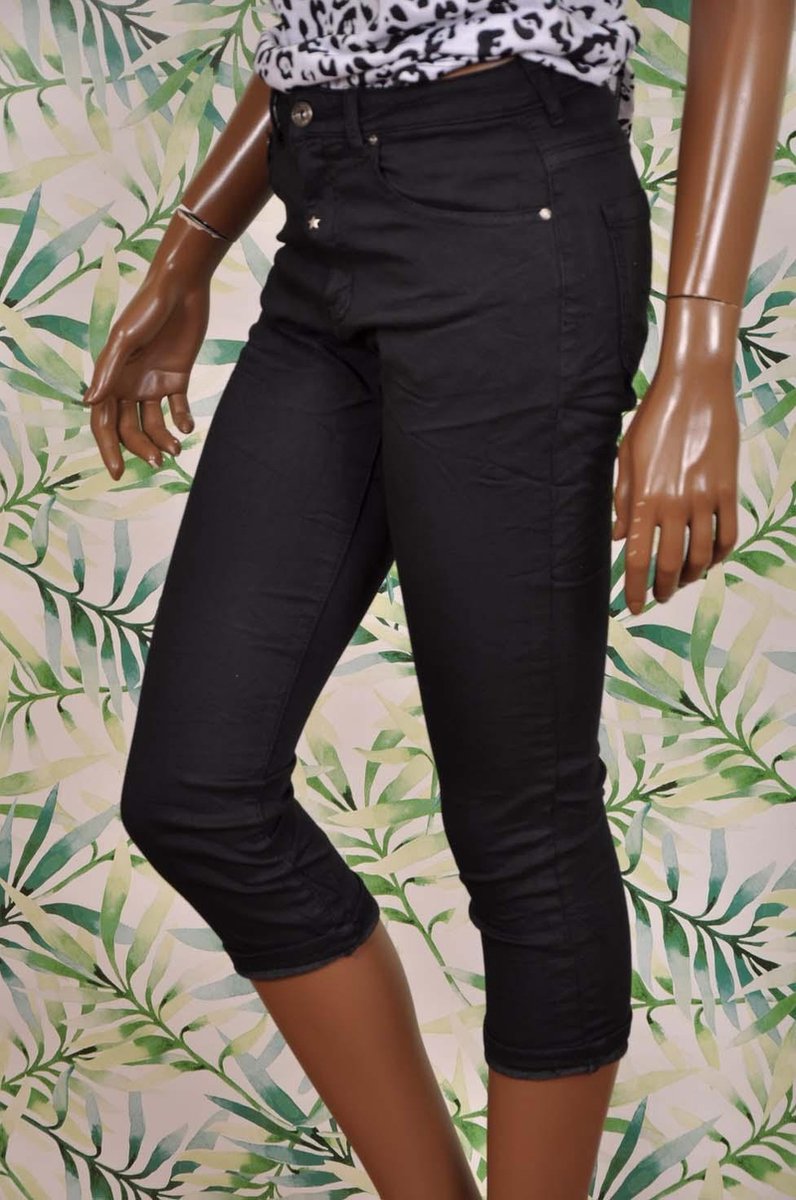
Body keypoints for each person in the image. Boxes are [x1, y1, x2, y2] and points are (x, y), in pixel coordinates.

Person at [82, 1, 794, 1196]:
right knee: (195, 793)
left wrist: (698, 353)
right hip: (317, 216)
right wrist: (188, 246)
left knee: (520, 820)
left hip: (515, 208)